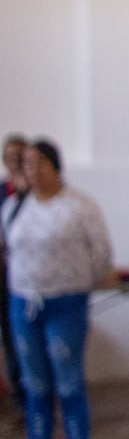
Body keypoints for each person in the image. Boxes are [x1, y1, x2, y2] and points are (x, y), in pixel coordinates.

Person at [1, 139, 112, 439]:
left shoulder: (79, 205)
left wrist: (87, 279)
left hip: (66, 302)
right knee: (35, 384)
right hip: (23, 302)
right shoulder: (15, 207)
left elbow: (101, 251)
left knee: (68, 383)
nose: (34, 170)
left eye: (40, 163)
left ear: (55, 166)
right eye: (28, 164)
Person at [1, 133, 27, 406]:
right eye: (10, 158)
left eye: (20, 157)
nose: (15, 162)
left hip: (34, 280)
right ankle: (22, 400)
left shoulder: (39, 193)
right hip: (5, 279)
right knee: (11, 341)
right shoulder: (2, 192)